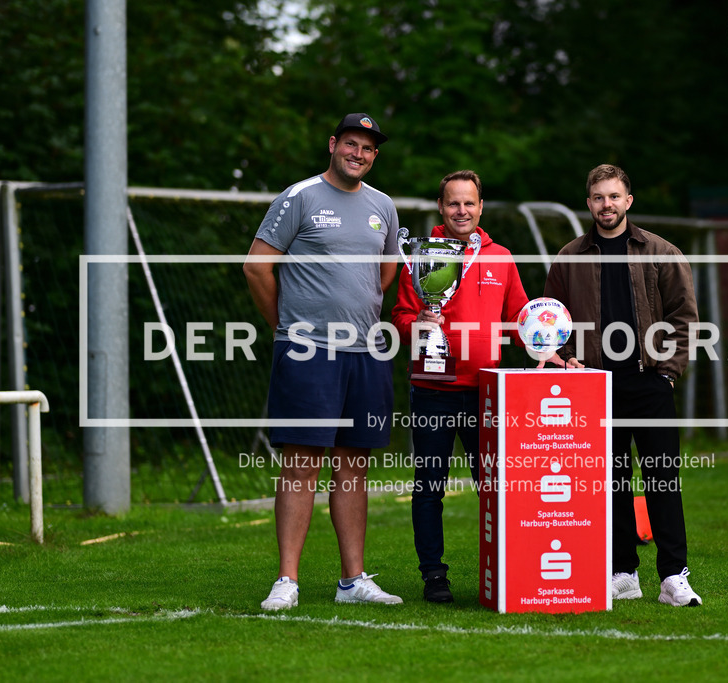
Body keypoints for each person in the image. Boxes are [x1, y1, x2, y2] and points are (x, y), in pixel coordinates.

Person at [244, 113, 403, 609]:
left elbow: (388, 267)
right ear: (333, 144)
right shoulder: (300, 196)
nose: (359, 154)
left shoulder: (383, 206)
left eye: (368, 148)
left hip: (365, 354)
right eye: (351, 144)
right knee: (301, 466)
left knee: (353, 466)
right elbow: (256, 265)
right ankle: (287, 581)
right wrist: (286, 326)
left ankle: (352, 581)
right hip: (308, 351)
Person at [543, 163, 702, 607]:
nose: (606, 205)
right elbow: (549, 322)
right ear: (588, 203)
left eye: (614, 196)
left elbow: (684, 319)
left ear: (627, 201)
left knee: (662, 480)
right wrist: (564, 361)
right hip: (593, 385)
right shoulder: (569, 258)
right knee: (610, 481)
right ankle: (623, 572)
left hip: (649, 379)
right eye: (598, 197)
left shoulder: (661, 252)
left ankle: (673, 576)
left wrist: (668, 373)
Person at [391, 170, 538, 603]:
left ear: (480, 207)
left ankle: (506, 569)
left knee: (492, 487)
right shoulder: (419, 255)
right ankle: (434, 576)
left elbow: (519, 321)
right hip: (432, 388)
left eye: (469, 203)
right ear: (441, 207)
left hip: (486, 393)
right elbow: (399, 318)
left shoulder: (501, 257)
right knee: (429, 486)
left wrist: (547, 345)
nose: (461, 211)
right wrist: (416, 322)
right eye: (453, 203)